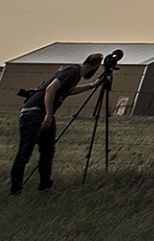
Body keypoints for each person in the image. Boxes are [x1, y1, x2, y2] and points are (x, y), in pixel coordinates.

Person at [10, 51, 105, 194]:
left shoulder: (74, 73)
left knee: (47, 152)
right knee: (25, 153)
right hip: (36, 113)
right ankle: (15, 189)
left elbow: (67, 90)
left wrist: (92, 85)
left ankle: (45, 187)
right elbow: (51, 89)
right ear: (95, 66)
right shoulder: (73, 71)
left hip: (37, 113)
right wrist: (48, 114)